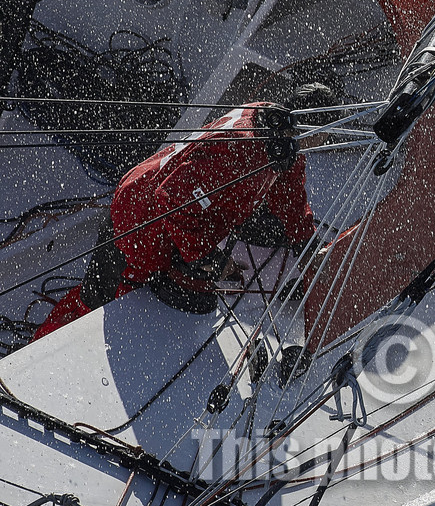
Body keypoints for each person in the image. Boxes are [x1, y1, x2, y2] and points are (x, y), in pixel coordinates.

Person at [33, 83, 338, 339]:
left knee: (131, 307)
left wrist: (306, 244)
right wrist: (209, 259)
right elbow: (171, 198)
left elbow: (289, 195)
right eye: (327, 132)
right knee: (96, 309)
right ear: (313, 128)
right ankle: (38, 352)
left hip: (165, 221)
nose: (326, 140)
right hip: (138, 221)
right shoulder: (244, 148)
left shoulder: (280, 135)